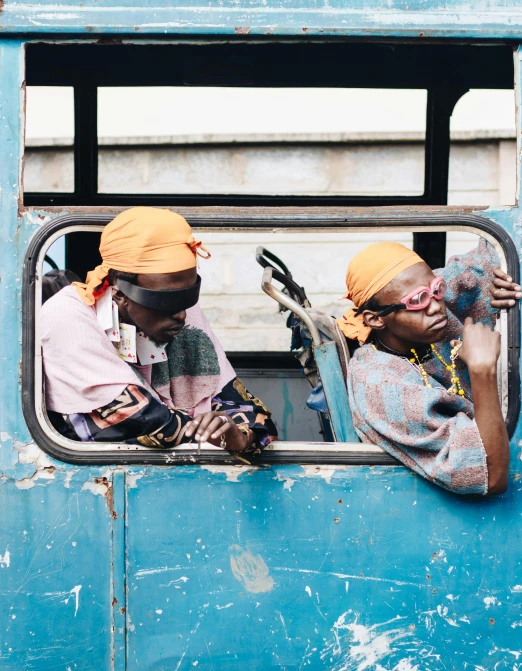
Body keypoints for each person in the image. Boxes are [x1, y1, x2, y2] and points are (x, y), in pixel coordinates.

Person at [41, 207, 278, 453]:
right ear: (120, 296)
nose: (182, 316)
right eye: (165, 303)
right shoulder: (67, 318)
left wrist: (237, 433)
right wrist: (224, 436)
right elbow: (147, 422)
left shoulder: (181, 315)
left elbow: (254, 419)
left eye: (187, 299)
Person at [337, 239, 520, 496]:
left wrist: (510, 278)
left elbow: (498, 251)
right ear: (375, 319)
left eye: (435, 290)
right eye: (418, 301)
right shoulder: (381, 387)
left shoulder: (428, 313)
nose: (436, 306)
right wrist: (482, 369)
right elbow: (491, 478)